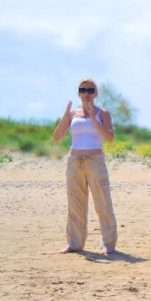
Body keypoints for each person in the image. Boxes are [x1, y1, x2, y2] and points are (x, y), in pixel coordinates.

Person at [52, 78, 118, 255]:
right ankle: (74, 243)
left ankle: (109, 243)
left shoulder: (102, 113)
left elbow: (110, 138)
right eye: (83, 90)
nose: (87, 93)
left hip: (95, 161)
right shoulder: (73, 114)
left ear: (96, 93)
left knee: (102, 203)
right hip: (75, 161)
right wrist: (65, 117)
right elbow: (57, 137)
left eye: (90, 90)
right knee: (75, 203)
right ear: (79, 93)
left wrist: (95, 121)